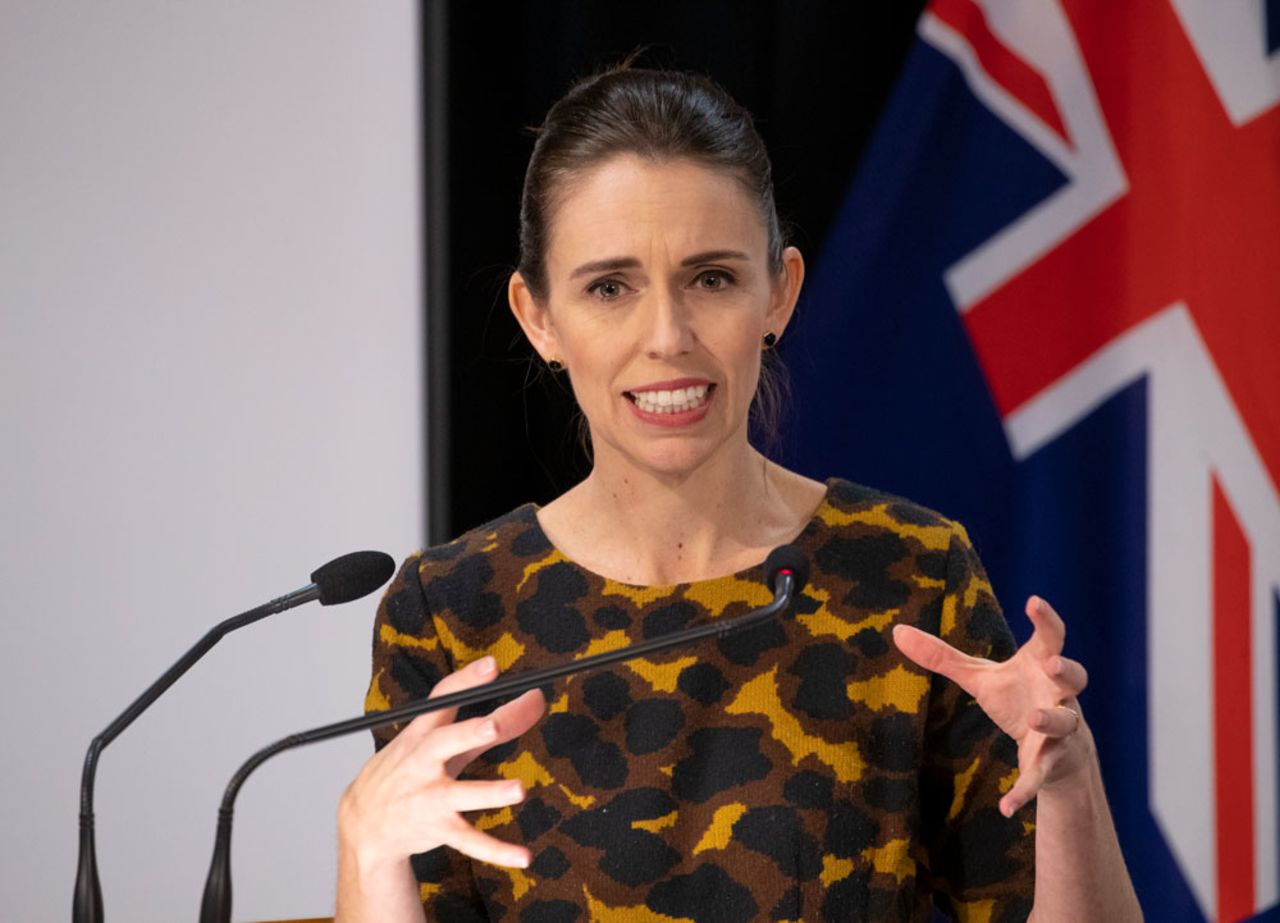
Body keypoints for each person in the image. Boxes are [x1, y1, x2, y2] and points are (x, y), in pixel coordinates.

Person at [335, 66, 1142, 923]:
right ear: (539, 318)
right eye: (610, 288)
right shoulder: (451, 610)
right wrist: (363, 844)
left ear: (779, 293)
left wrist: (1071, 783)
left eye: (711, 278)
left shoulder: (910, 574)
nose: (667, 337)